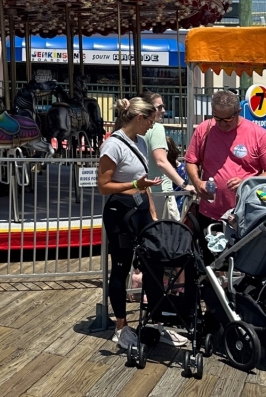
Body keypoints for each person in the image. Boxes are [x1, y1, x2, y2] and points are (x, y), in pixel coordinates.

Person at [98, 96, 161, 350]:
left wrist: (154, 215)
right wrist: (135, 186)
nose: (152, 127)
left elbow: (143, 181)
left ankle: (152, 317)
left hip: (141, 208)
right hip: (120, 211)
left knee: (152, 261)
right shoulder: (112, 145)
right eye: (150, 121)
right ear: (139, 118)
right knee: (121, 267)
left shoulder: (142, 142)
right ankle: (121, 326)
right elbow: (103, 186)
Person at [184, 90, 266, 231]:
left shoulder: (258, 134)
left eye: (228, 119)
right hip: (210, 213)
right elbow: (191, 161)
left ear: (238, 111)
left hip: (246, 215)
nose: (223, 124)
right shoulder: (204, 129)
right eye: (218, 119)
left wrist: (246, 182)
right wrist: (197, 183)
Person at [142, 91, 194, 220]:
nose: (163, 110)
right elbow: (161, 161)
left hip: (142, 192)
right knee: (170, 235)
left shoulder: (133, 128)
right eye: (159, 107)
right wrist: (184, 185)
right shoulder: (156, 128)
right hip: (160, 192)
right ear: (148, 108)